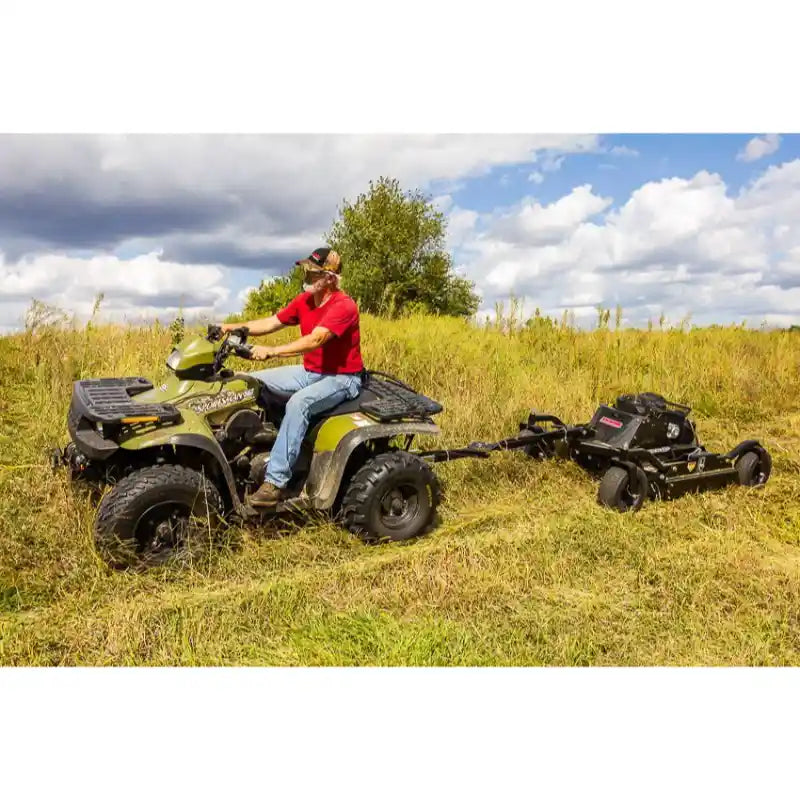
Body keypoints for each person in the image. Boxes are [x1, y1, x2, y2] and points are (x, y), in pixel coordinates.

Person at [217, 248, 363, 507]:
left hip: (342, 378)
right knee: (248, 382)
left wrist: (272, 351)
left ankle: (274, 483)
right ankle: (265, 442)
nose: (305, 275)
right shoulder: (305, 301)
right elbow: (271, 322)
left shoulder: (344, 306)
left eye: (312, 271)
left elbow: (316, 339)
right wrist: (229, 328)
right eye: (305, 269)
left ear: (329, 277)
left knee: (299, 403)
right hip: (310, 372)